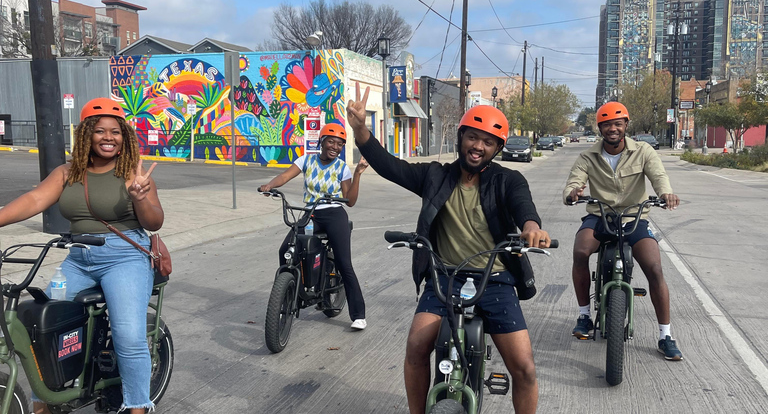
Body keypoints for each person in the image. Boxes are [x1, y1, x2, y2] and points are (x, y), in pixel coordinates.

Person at [347, 84, 551, 414]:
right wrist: (361, 131)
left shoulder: (508, 180)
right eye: (473, 137)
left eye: (488, 142)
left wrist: (532, 228)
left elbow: (523, 207)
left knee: (524, 368)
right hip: (445, 279)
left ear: (497, 148)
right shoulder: (434, 176)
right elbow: (390, 166)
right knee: (416, 347)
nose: (478, 146)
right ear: (461, 138)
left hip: (495, 280)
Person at [0, 98, 164, 414]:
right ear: (85, 134)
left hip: (124, 258)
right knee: (40, 328)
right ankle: (43, 404)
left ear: (124, 136)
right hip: (78, 258)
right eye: (99, 130)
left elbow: (154, 222)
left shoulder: (133, 173)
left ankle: (137, 406)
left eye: (115, 132)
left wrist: (140, 198)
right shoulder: (66, 172)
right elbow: (34, 199)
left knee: (129, 337)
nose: (108, 137)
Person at [563, 101, 683, 360]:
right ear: (600, 128)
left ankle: (665, 335)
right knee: (580, 252)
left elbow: (658, 176)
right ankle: (584, 316)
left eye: (618, 123)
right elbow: (575, 180)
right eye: (607, 124)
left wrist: (665, 193)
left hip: (633, 219)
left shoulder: (643, 151)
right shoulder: (588, 156)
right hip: (600, 217)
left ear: (626, 125)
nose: (613, 129)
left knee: (655, 268)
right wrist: (573, 193)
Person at [260, 122, 369, 330]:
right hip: (311, 213)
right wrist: (270, 186)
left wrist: (357, 174)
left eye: (339, 144)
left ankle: (358, 315)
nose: (335, 147)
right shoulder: (307, 160)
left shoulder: (342, 167)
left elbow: (351, 200)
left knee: (344, 263)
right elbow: (285, 175)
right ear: (322, 141)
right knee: (286, 249)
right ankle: (293, 290)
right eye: (331, 142)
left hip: (334, 213)